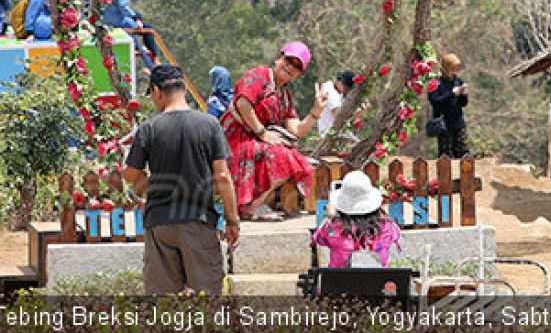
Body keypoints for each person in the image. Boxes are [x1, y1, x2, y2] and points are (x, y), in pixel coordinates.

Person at [123, 65, 240, 295]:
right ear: (184, 90)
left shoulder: (148, 129)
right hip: (198, 221)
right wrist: (232, 220)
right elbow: (223, 177)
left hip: (160, 223)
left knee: (163, 302)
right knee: (209, 298)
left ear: (156, 91)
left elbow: (130, 176)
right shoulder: (209, 125)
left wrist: (132, 164)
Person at [219, 42, 325, 221]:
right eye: (288, 60)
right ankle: (248, 207)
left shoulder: (284, 95)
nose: (290, 66)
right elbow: (243, 102)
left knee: (295, 159)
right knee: (281, 156)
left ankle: (251, 206)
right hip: (234, 138)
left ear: (299, 74)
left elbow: (296, 130)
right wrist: (262, 133)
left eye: (297, 66)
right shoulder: (260, 75)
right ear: (278, 58)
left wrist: (316, 110)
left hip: (255, 140)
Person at [312, 170, 400, 268]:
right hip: (379, 281)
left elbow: (318, 238)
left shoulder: (332, 229)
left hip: (339, 281)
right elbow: (396, 233)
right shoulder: (387, 228)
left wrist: (329, 216)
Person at [103, 0, 160, 67]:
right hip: (118, 21)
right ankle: (154, 60)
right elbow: (122, 5)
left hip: (105, 18)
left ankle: (142, 51)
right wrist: (135, 18)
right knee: (148, 30)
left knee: (137, 34)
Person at [427, 54, 470, 158]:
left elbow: (463, 103)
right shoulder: (436, 82)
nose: (454, 73)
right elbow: (435, 102)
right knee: (446, 155)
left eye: (456, 69)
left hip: (458, 123)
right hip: (443, 124)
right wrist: (451, 94)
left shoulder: (458, 81)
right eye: (452, 69)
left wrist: (463, 95)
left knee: (463, 153)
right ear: (445, 69)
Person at [317, 70, 368, 139]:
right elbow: (339, 115)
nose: (348, 90)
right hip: (330, 134)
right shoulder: (329, 91)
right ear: (340, 82)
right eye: (347, 88)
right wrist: (360, 111)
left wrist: (361, 110)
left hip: (340, 133)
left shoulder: (338, 91)